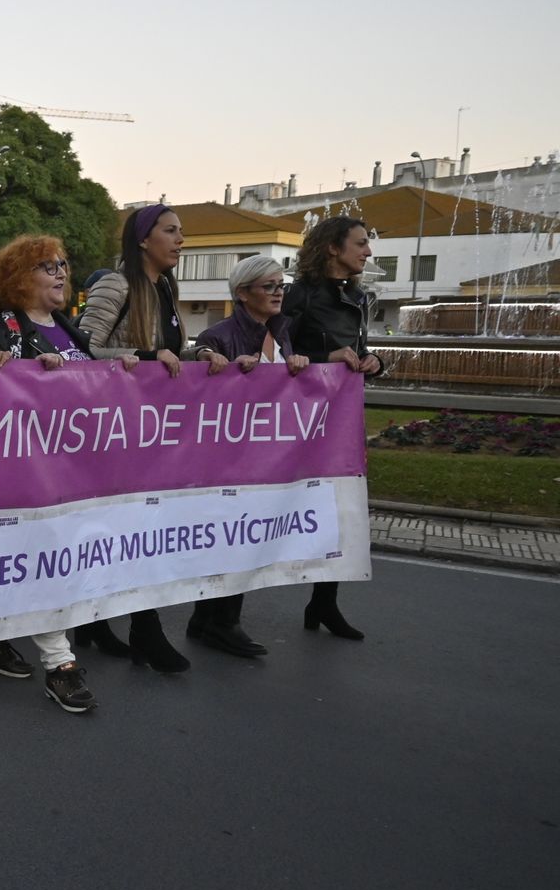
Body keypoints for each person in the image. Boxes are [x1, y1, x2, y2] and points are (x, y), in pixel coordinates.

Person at [0, 234, 143, 711]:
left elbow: (86, 382)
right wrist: (16, 366)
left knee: (32, 564)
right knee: (49, 562)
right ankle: (60, 664)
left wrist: (119, 367)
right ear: (19, 278)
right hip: (27, 475)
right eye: (48, 266)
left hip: (73, 472)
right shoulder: (1, 329)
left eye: (63, 263)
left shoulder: (67, 327)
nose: (62, 271)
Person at [74, 205, 231, 673]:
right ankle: (142, 630)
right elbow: (82, 348)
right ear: (143, 239)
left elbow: (170, 351)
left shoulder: (165, 287)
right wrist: (143, 356)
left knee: (138, 531)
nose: (181, 239)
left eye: (182, 231)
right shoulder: (116, 285)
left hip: (148, 431)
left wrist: (200, 354)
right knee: (123, 529)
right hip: (110, 430)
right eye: (171, 231)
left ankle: (99, 624)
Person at [186, 256, 312, 656]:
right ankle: (223, 623)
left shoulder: (281, 333)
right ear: (242, 293)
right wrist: (218, 366)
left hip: (263, 456)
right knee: (233, 538)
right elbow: (196, 375)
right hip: (226, 460)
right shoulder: (219, 336)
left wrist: (296, 364)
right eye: (268, 286)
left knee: (241, 535)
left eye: (281, 285)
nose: (278, 293)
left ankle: (205, 620)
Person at [282, 216, 382, 640]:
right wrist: (326, 356)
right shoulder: (299, 294)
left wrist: (375, 362)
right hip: (298, 421)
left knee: (340, 509)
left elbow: (360, 350)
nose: (368, 251)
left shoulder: (357, 296)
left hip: (339, 420)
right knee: (270, 506)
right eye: (360, 243)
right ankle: (215, 616)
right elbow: (278, 353)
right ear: (332, 248)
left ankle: (324, 602)